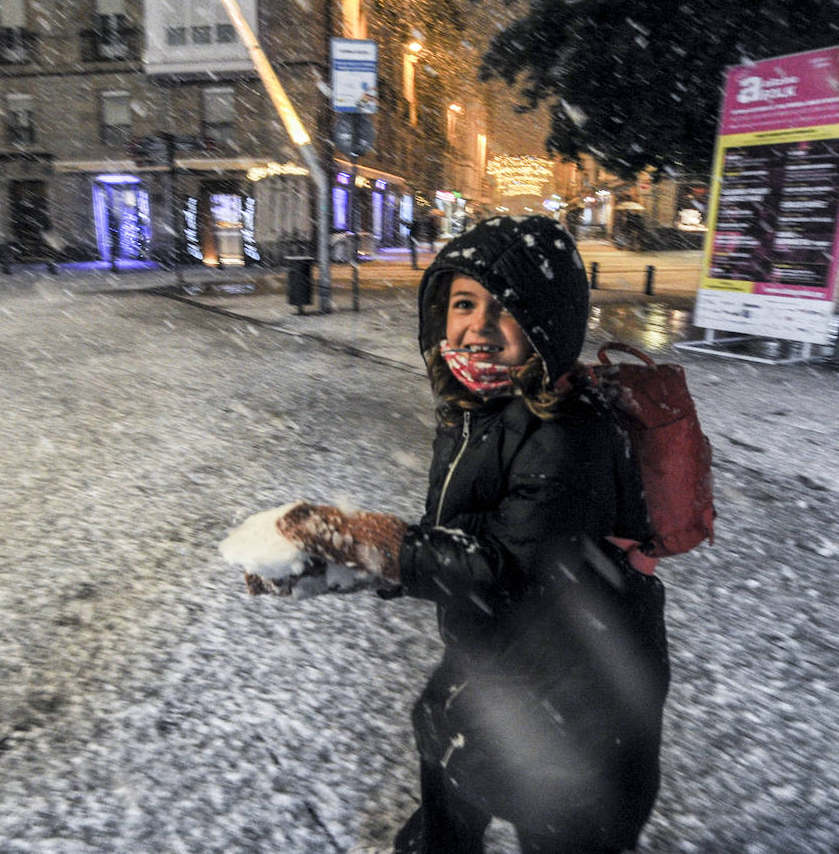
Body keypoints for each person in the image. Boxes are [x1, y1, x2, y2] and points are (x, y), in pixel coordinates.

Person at [224, 216, 670, 854]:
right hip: (497, 668)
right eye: (464, 304)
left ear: (549, 324)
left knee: (561, 825)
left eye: (507, 309)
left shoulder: (570, 435)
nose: (478, 328)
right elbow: (455, 547)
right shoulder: (477, 412)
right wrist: (334, 564)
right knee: (449, 776)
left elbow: (500, 570)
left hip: (582, 699)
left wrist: (364, 540)